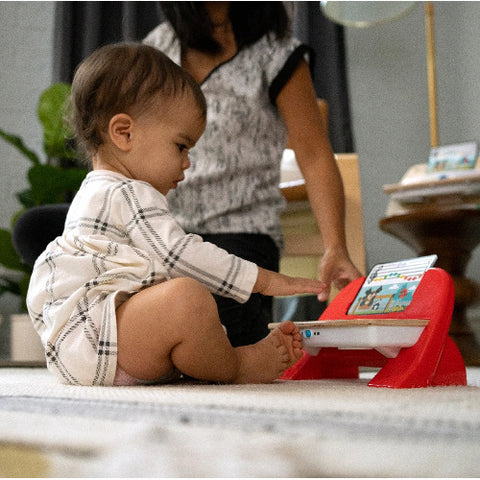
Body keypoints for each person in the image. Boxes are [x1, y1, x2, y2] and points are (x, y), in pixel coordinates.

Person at [26, 42, 327, 387]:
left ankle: (202, 361)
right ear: (124, 133)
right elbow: (176, 253)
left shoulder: (93, 190)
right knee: (188, 298)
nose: (187, 163)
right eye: (180, 146)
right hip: (104, 341)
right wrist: (263, 279)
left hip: (87, 348)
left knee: (182, 299)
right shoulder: (129, 190)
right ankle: (238, 364)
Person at [144, 2, 362, 347]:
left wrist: (335, 245)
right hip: (160, 231)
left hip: (239, 234)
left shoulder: (276, 53)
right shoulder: (157, 48)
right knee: (38, 230)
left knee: (214, 323)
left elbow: (315, 154)